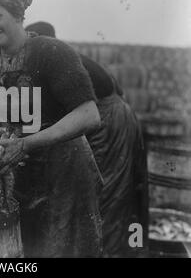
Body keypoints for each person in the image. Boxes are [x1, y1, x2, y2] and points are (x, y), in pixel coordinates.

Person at [0, 0, 104, 257]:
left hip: (64, 168)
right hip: (20, 169)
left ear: (17, 15)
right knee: (25, 248)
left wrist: (26, 144)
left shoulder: (52, 52)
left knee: (63, 247)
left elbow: (89, 115)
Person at [25, 21, 148, 257]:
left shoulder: (59, 62)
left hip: (110, 120)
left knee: (104, 193)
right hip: (106, 116)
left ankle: (106, 252)